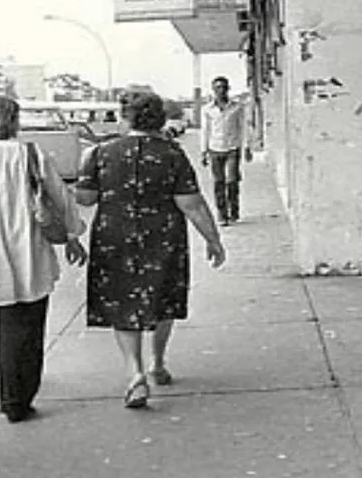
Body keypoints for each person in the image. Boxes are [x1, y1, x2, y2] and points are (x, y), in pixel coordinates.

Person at [75, 91, 226, 408]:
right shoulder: (172, 154)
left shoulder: (101, 153)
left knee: (120, 300)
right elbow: (192, 204)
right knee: (162, 296)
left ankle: (135, 373)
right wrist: (213, 239)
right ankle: (158, 363)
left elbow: (85, 199)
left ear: (125, 117)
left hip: (114, 235)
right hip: (163, 235)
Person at [0, 95, 87, 423]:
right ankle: (16, 396)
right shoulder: (28, 153)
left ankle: (9, 379)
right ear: (12, 119)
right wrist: (72, 235)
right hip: (24, 245)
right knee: (26, 321)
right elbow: (58, 196)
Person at [200, 76, 252, 226]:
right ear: (213, 90)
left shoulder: (237, 107)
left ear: (228, 88)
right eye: (218, 88)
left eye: (223, 87)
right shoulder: (208, 110)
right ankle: (222, 214)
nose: (221, 90)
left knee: (232, 181)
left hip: (232, 148)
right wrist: (203, 151)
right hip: (215, 149)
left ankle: (234, 211)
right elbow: (205, 130)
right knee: (218, 182)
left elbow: (243, 127)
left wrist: (247, 146)